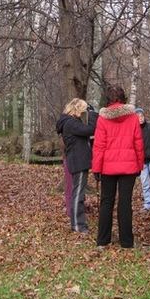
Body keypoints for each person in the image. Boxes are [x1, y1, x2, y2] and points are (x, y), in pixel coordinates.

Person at [92, 85, 144, 249]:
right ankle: (127, 242)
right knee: (125, 203)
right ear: (123, 97)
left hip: (108, 166)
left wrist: (96, 168)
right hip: (129, 165)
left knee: (106, 202)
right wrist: (139, 165)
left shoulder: (103, 118)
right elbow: (138, 143)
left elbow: (99, 145)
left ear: (108, 99)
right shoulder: (133, 117)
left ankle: (103, 240)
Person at [56, 98, 98, 234]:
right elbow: (91, 129)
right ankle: (78, 225)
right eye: (84, 109)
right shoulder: (71, 123)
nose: (85, 111)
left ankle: (78, 224)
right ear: (77, 109)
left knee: (78, 193)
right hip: (78, 161)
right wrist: (93, 114)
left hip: (79, 160)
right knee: (78, 194)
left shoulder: (71, 122)